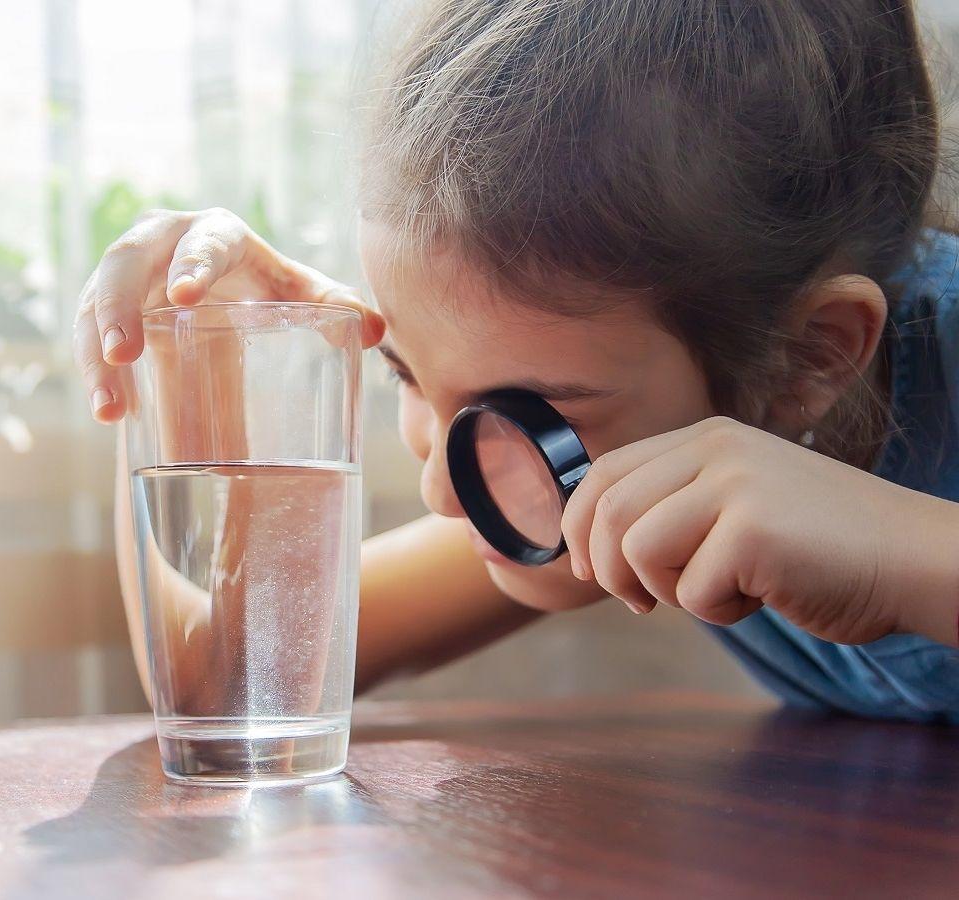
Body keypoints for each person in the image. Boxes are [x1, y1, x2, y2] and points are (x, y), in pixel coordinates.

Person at [73, 0, 959, 723]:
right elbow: (227, 672)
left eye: (530, 412)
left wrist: (903, 556)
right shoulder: (580, 464)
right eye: (406, 375)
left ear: (811, 357)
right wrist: (176, 358)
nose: (443, 495)